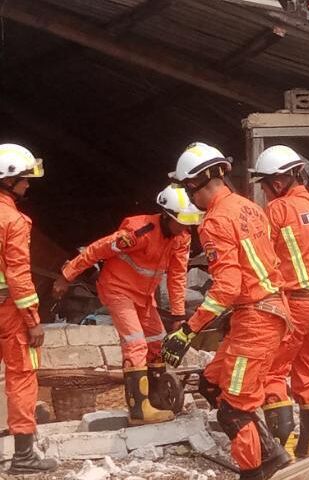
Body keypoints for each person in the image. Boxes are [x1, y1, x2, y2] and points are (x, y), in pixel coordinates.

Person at [161, 142, 292, 479]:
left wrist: (188, 330)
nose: (189, 196)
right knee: (211, 382)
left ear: (197, 182)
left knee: (234, 409)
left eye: (187, 188)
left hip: (256, 320)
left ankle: (254, 471)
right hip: (261, 312)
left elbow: (228, 287)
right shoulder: (249, 207)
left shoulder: (215, 221)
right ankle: (272, 454)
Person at [53, 185, 201, 426]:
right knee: (136, 344)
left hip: (144, 295)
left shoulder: (181, 238)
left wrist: (178, 315)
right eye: (182, 222)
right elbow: (97, 250)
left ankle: (156, 400)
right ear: (167, 216)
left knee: (157, 344)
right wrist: (67, 275)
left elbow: (177, 276)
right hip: (117, 289)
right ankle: (139, 410)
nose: (186, 227)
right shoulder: (138, 233)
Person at [249, 145, 309, 459]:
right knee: (308, 372)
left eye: (264, 186)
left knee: (273, 372)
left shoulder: (278, 210)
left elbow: (261, 259)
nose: (264, 193)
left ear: (277, 183)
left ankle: (282, 446)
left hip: (299, 303)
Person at [0, 144, 59, 474]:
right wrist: (33, 320)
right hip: (8, 309)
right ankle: (23, 457)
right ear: (8, 180)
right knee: (22, 376)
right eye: (23, 178)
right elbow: (19, 276)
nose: (27, 184)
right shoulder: (13, 220)